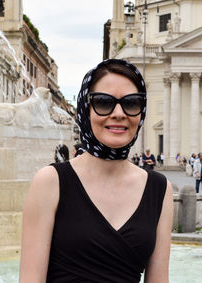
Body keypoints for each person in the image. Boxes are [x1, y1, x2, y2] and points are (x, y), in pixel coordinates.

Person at [19, 59, 173, 282]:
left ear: (142, 112)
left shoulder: (160, 189)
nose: (119, 113)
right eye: (103, 102)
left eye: (131, 103)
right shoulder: (50, 181)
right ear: (85, 109)